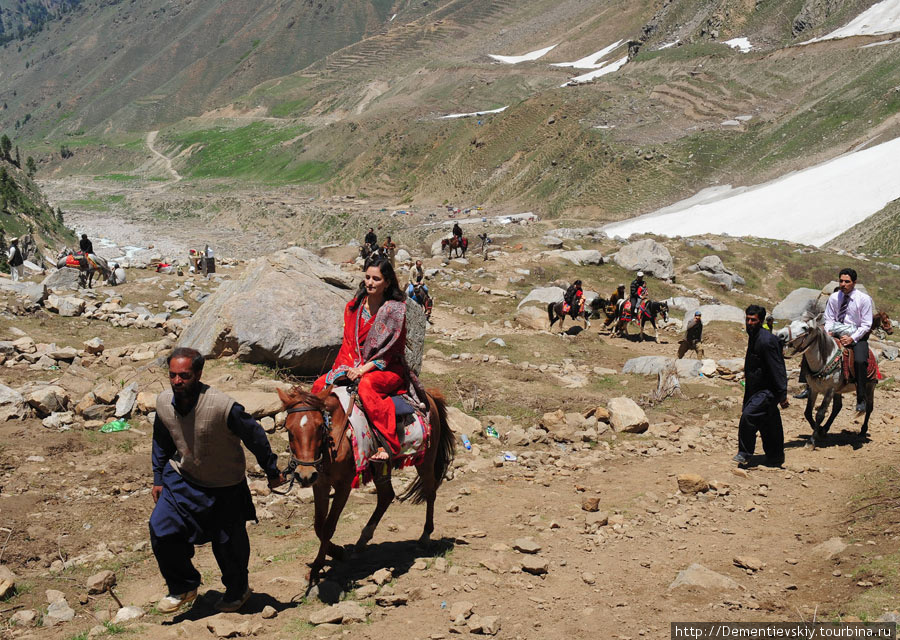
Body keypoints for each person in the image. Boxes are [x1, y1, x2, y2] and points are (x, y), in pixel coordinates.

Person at [149, 348, 284, 614]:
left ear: (198, 375)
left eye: (184, 376)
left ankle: (238, 591)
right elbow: (161, 441)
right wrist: (157, 477)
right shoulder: (164, 402)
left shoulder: (223, 406)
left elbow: (254, 435)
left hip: (225, 486)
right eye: (173, 376)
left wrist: (271, 470)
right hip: (182, 479)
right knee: (161, 528)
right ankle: (183, 586)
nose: (177, 381)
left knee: (228, 546)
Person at [312, 255, 422, 463]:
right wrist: (346, 370)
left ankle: (387, 444)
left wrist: (363, 370)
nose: (370, 283)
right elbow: (348, 345)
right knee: (320, 384)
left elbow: (390, 352)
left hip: (387, 368)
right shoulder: (353, 307)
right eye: (368, 277)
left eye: (377, 279)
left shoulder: (394, 311)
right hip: (351, 364)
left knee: (367, 387)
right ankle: (315, 439)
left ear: (387, 282)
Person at [735, 305, 788, 466]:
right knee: (768, 421)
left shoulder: (766, 341)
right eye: (748, 319)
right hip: (754, 388)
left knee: (749, 416)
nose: (750, 323)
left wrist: (782, 394)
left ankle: (744, 453)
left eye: (753, 320)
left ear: (760, 321)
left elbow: (778, 368)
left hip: (768, 390)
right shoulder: (754, 335)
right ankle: (776, 456)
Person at [823, 268, 874, 412]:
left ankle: (861, 397)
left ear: (854, 283)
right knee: (811, 344)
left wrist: (852, 338)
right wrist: (828, 333)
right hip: (835, 332)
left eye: (847, 282)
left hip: (857, 335)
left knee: (860, 360)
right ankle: (808, 386)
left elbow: (866, 324)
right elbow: (828, 318)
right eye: (841, 281)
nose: (843, 284)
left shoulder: (863, 299)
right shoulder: (834, 297)